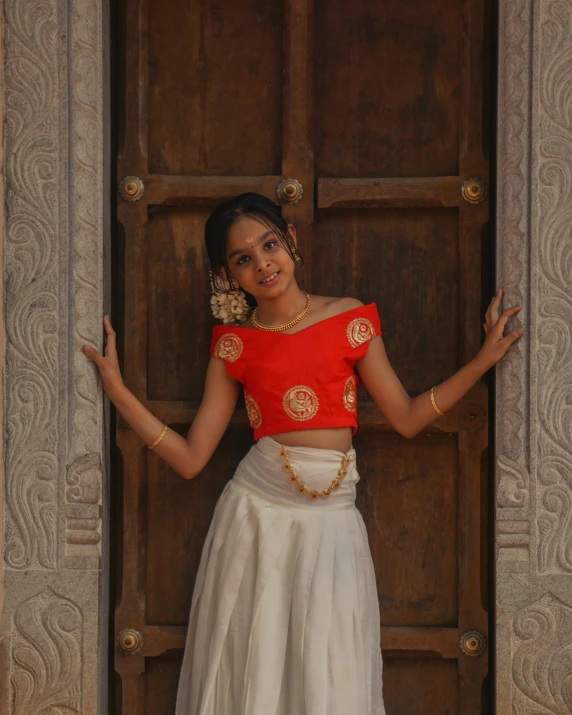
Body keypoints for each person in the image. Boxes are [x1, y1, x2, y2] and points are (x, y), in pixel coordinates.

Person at [83, 192, 523, 714]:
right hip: (256, 519)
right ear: (228, 274)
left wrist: (482, 362)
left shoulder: (350, 319)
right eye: (243, 259)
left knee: (326, 665)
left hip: (332, 520)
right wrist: (118, 392)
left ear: (291, 240)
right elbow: (190, 458)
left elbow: (405, 417)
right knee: (256, 665)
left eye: (269, 244)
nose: (263, 263)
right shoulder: (234, 346)